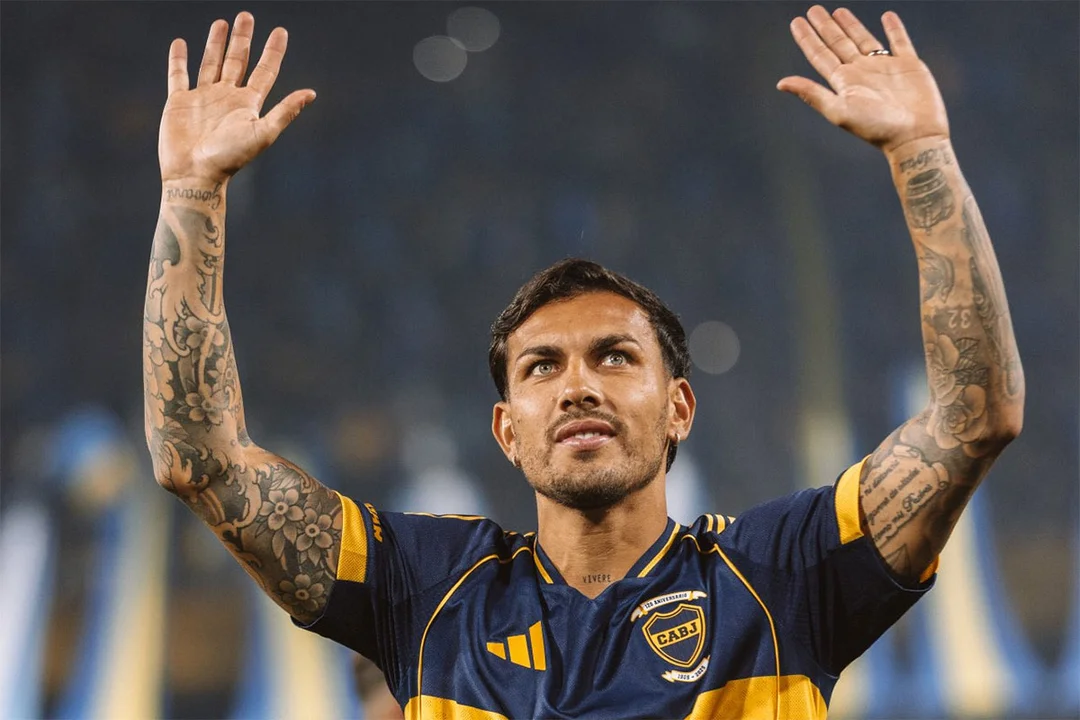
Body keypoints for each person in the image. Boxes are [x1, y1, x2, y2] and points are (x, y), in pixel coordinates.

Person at [143, 6, 1024, 718]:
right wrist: (192, 191)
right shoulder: (425, 589)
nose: (577, 386)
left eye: (614, 356)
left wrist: (922, 155)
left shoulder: (783, 574)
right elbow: (200, 461)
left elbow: (973, 419)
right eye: (540, 367)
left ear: (679, 408)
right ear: (505, 431)